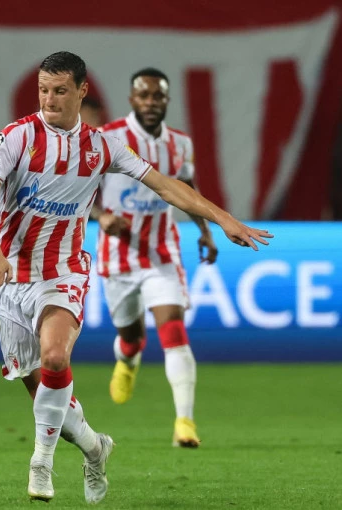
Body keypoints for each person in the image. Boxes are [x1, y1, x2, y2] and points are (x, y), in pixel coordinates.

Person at [0, 51, 272, 503]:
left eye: (60, 91)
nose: (49, 100)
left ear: (82, 91)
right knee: (44, 393)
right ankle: (95, 448)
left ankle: (41, 463)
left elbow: (166, 186)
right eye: (43, 90)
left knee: (55, 359)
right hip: (11, 277)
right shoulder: (17, 136)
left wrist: (224, 219)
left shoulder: (103, 146)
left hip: (64, 271)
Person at [92, 68, 214, 447]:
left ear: (166, 100)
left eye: (157, 96)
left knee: (174, 330)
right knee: (131, 336)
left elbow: (187, 188)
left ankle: (184, 423)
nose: (150, 102)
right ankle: (128, 358)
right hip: (118, 255)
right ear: (132, 99)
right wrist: (101, 216)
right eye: (143, 95)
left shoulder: (180, 143)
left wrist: (205, 230)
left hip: (162, 251)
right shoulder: (108, 138)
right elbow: (82, 187)